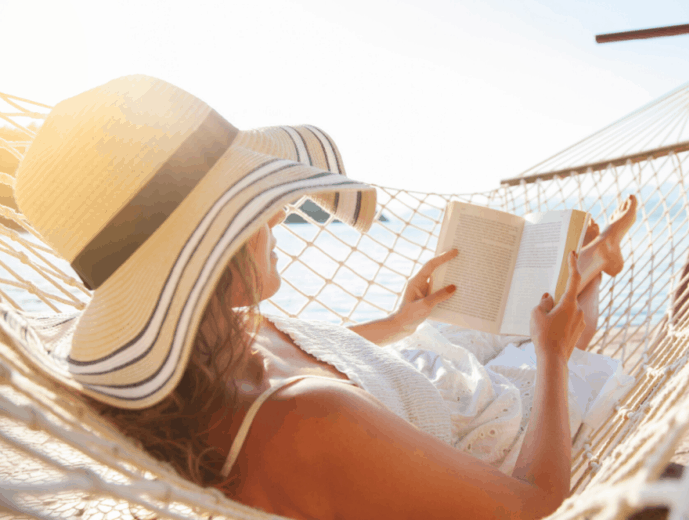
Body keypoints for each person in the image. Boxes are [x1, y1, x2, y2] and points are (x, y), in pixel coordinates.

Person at [11, 75, 637, 520]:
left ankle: (582, 262)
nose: (279, 217)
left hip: (409, 366)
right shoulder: (310, 425)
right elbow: (536, 504)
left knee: (503, 313)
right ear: (207, 249)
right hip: (482, 425)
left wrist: (398, 319)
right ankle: (594, 266)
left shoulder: (193, 347)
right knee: (559, 337)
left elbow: (311, 357)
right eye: (253, 207)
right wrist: (553, 359)